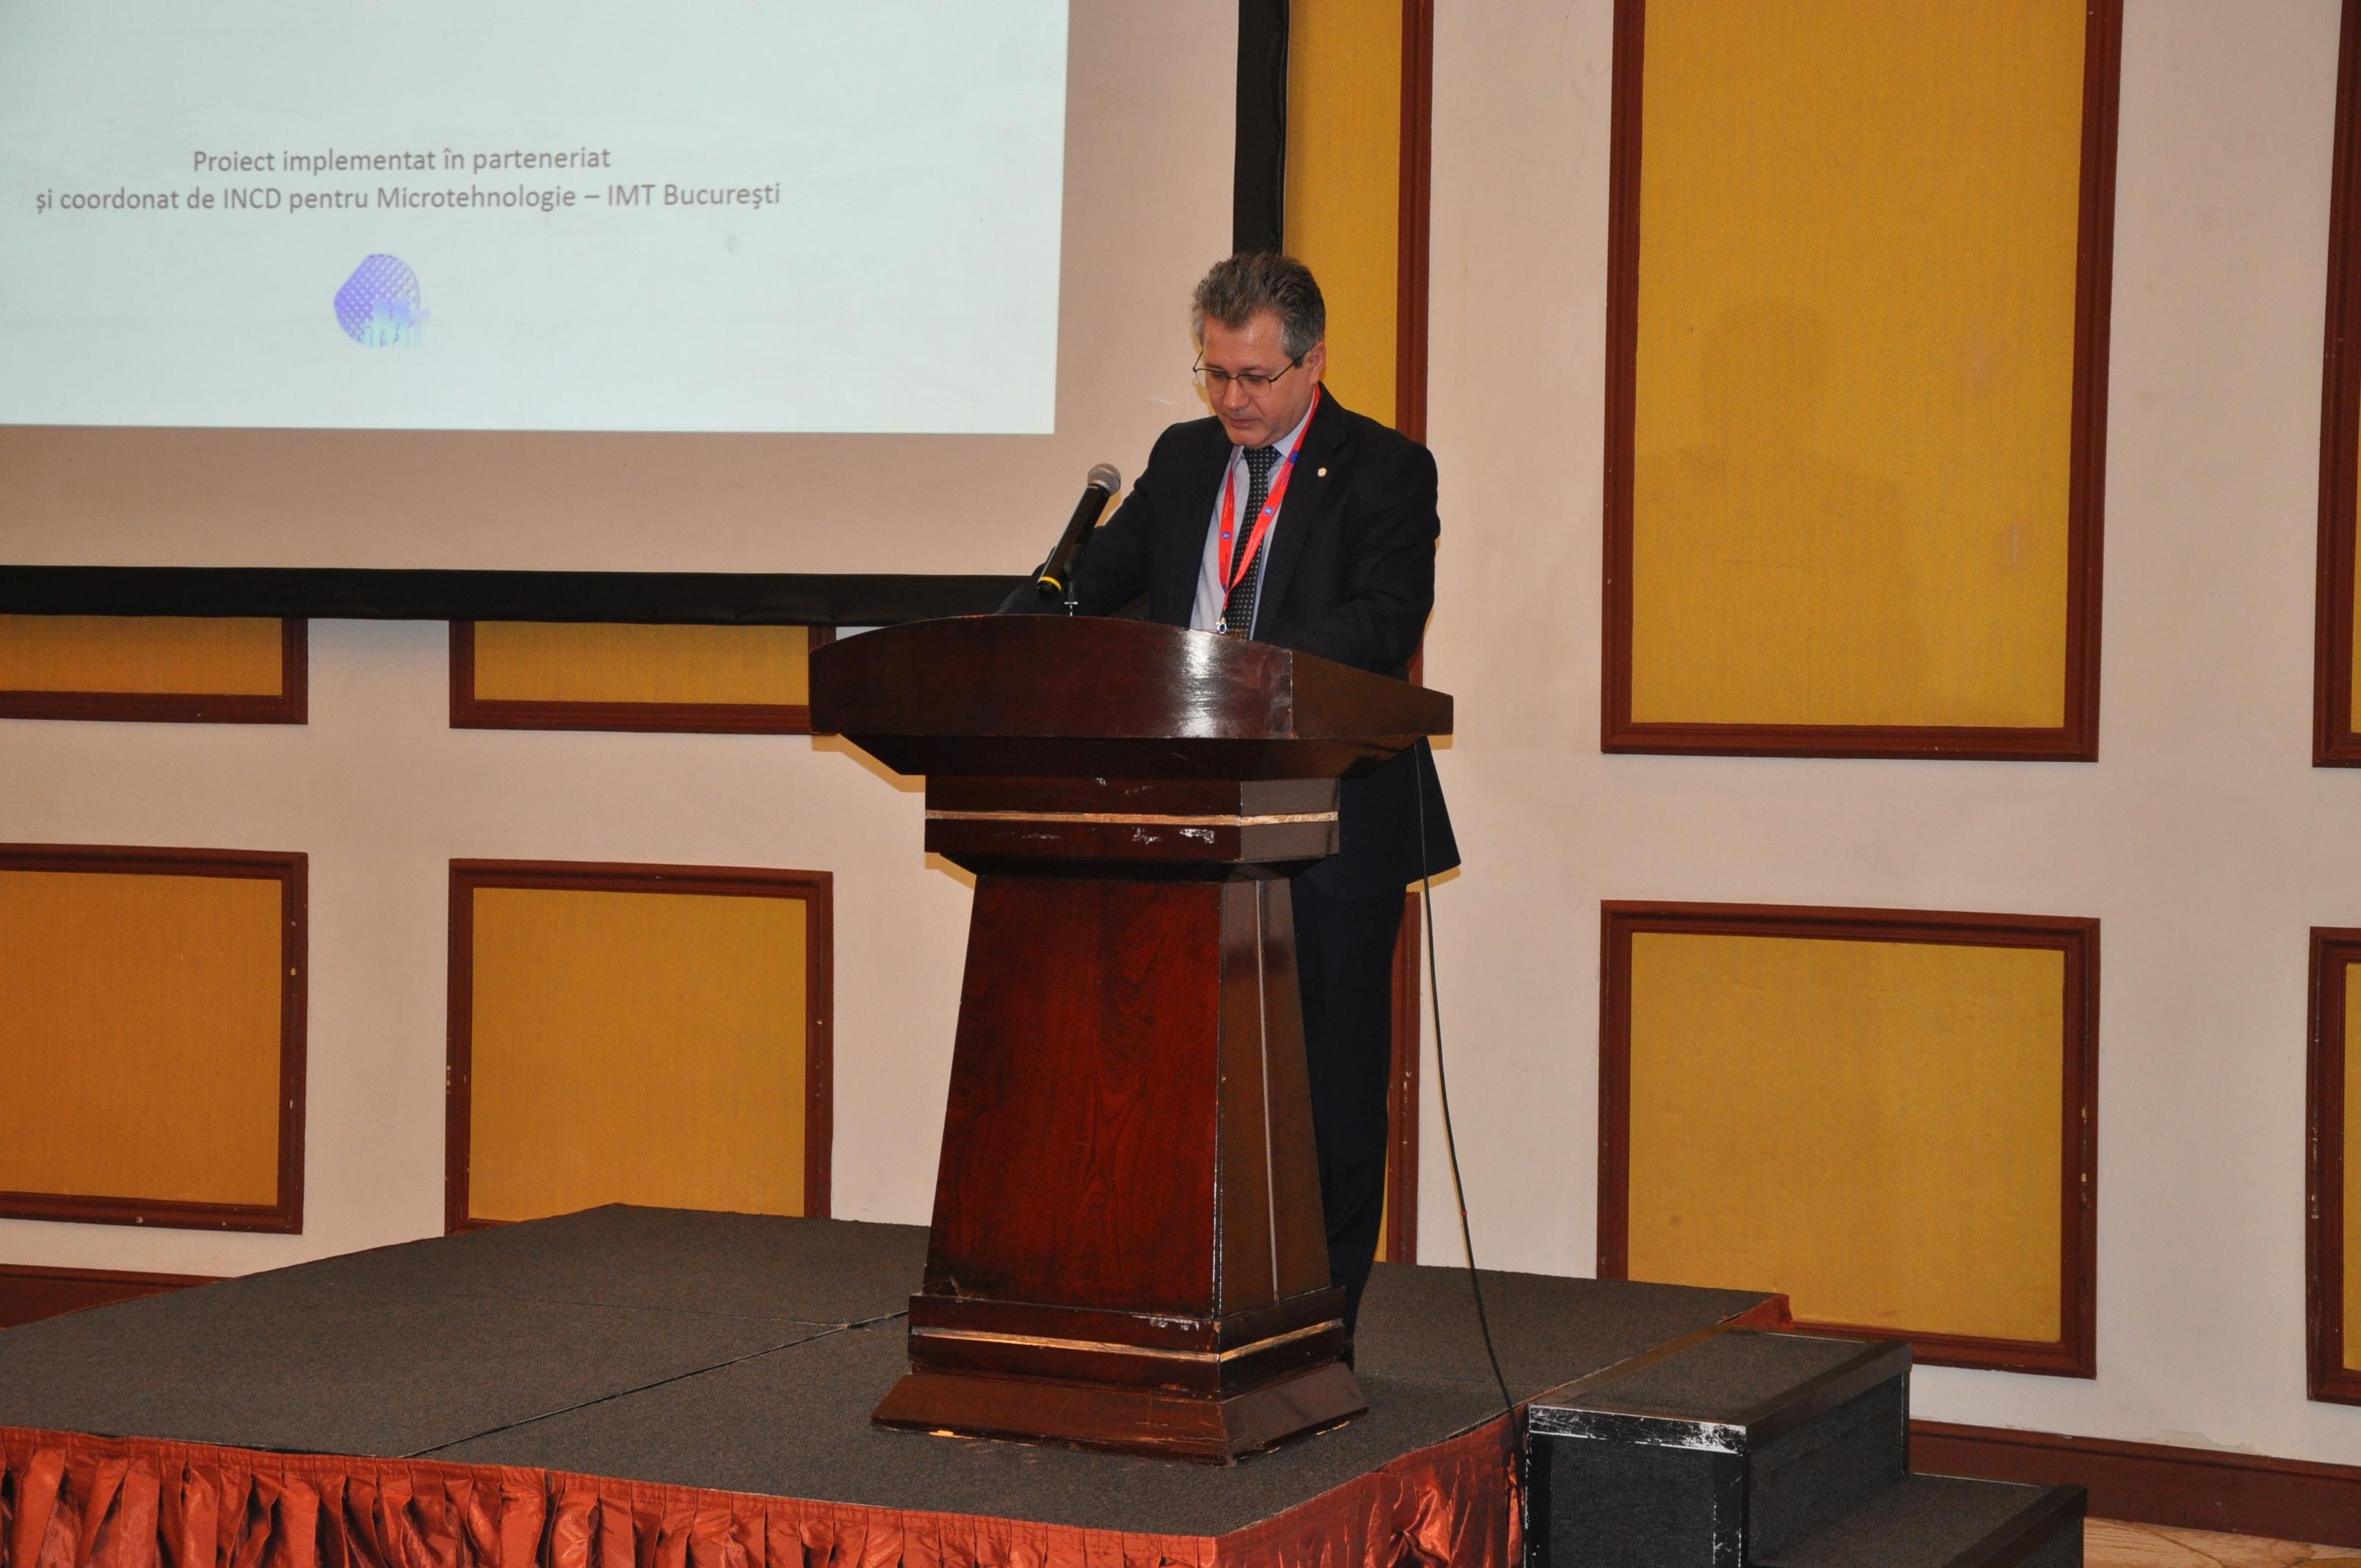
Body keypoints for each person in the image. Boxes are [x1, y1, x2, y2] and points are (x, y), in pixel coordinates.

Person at [1056, 252, 1459, 1337]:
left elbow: (1385, 621)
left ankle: (1322, 1323)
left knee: (1330, 1092)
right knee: (1181, 1076)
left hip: (1332, 816)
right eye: (1214, 373)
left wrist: (1236, 670)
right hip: (1185, 814)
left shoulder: (1386, 469)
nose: (1231, 400)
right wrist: (1025, 623)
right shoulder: (1181, 459)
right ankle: (1188, 1303)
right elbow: (1095, 588)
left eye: (1254, 378)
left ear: (1313, 362)